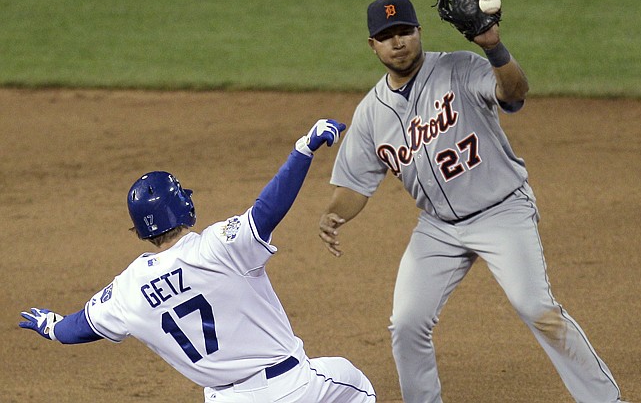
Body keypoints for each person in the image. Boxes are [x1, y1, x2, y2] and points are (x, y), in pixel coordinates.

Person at [318, 0, 626, 403]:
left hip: (501, 210)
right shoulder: (371, 113)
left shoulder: (460, 67)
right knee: (407, 324)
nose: (397, 42)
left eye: (404, 32)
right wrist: (333, 215)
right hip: (438, 227)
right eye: (386, 36)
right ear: (372, 45)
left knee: (537, 309)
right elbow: (355, 184)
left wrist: (493, 47)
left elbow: (515, 93)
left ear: (418, 33)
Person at [20, 119, 376, 403]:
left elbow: (79, 327)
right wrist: (304, 149)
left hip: (226, 399)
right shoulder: (218, 247)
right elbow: (267, 210)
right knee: (354, 384)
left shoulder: (127, 290)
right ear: (182, 207)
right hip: (293, 388)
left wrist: (51, 326)